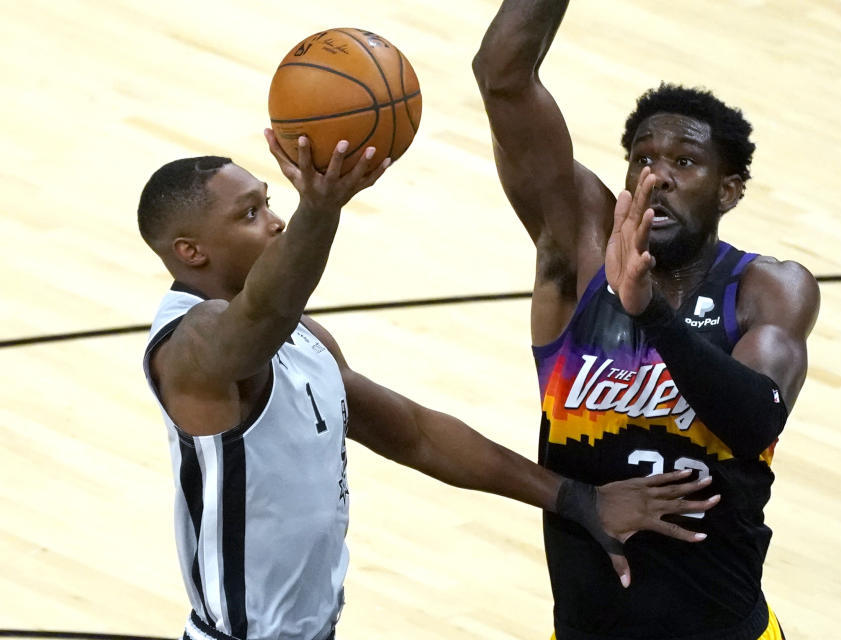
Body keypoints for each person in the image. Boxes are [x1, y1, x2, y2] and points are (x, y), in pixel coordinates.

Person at [137, 131, 720, 640]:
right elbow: (257, 320)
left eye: (269, 201)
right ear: (191, 252)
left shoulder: (301, 337)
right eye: (248, 214)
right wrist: (322, 209)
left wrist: (575, 497)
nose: (276, 219)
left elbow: (416, 435)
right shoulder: (191, 349)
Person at [472, 2, 820, 639]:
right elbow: (501, 75)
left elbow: (753, 422)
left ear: (730, 189)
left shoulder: (768, 288)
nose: (656, 176)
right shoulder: (579, 252)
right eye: (642, 159)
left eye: (684, 163)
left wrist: (650, 314)